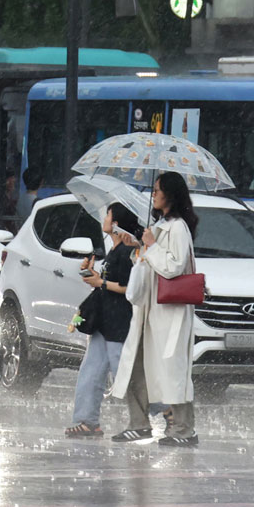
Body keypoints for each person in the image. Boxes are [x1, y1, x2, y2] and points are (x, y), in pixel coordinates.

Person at [110, 171, 200, 447]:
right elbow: (152, 262)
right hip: (150, 310)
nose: (154, 194)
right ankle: (139, 424)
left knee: (173, 370)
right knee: (137, 364)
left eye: (158, 190)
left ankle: (185, 429)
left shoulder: (178, 228)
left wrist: (149, 246)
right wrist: (140, 248)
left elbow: (173, 266)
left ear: (170, 195)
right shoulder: (160, 226)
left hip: (170, 312)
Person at [65, 203, 142, 438]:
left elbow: (130, 288)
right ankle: (86, 421)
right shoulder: (113, 250)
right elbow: (105, 283)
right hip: (104, 321)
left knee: (125, 374)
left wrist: (101, 283)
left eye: (108, 215)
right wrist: (90, 274)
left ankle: (165, 410)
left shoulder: (129, 253)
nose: (104, 219)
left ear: (116, 223)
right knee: (91, 371)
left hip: (119, 323)